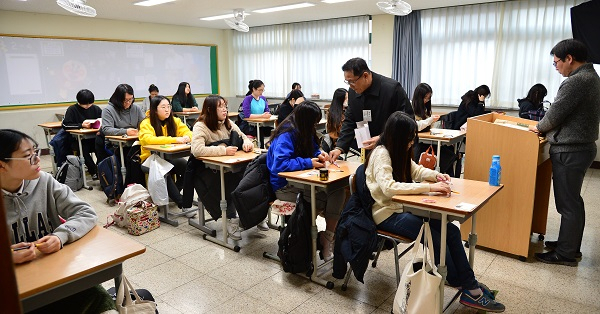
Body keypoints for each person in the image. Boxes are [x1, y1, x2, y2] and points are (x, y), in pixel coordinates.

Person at [364, 112, 505, 312]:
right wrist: (428, 188)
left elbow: (416, 171)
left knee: (452, 231)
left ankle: (468, 284)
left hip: (402, 208)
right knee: (436, 237)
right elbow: (389, 188)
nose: (412, 142)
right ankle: (467, 287)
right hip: (386, 214)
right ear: (398, 136)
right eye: (409, 137)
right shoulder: (381, 154)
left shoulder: (398, 149)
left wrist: (437, 176)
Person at [0, 129, 117, 313]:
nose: (38, 159)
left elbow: (86, 212)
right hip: (17, 289)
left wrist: (60, 236)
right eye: (27, 156)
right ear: (2, 165)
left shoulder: (44, 181)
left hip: (58, 274)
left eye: (36, 152)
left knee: (100, 301)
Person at [529, 39, 600, 266]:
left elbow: (555, 115)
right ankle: (568, 245)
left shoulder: (576, 82)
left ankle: (566, 253)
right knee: (573, 202)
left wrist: (538, 127)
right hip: (580, 148)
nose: (557, 67)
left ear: (569, 58)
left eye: (557, 62)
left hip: (571, 149)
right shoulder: (591, 77)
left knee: (568, 204)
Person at [267, 101, 345, 261]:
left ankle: (327, 238)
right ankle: (305, 238)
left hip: (301, 182)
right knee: (322, 200)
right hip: (285, 187)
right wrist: (309, 162)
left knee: (339, 190)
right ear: (306, 120)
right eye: (314, 122)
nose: (316, 125)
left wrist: (320, 154)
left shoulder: (303, 128)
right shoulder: (286, 134)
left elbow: (312, 148)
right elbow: (279, 165)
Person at [191, 95, 258, 240]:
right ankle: (231, 220)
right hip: (208, 171)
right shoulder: (201, 126)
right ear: (210, 110)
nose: (225, 109)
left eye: (225, 106)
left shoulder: (228, 123)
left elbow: (244, 136)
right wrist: (223, 151)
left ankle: (254, 216)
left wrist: (247, 143)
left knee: (250, 177)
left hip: (229, 165)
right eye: (220, 106)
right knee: (231, 183)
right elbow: (196, 150)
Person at [329, 57, 413, 161]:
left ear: (365, 76)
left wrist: (382, 138)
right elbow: (349, 120)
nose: (350, 86)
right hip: (368, 150)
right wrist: (339, 147)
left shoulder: (392, 89)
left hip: (393, 149)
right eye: (347, 82)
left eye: (352, 82)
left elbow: (407, 121)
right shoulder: (353, 93)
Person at [139, 95, 193, 216]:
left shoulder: (174, 120)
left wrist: (186, 137)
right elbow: (147, 140)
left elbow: (189, 133)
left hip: (169, 157)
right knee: (162, 172)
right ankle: (181, 202)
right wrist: (173, 140)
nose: (167, 109)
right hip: (149, 160)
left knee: (188, 167)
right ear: (154, 109)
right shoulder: (146, 123)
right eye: (163, 107)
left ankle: (172, 194)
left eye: (168, 106)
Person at [95, 83, 145, 163]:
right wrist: (126, 132)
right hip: (115, 145)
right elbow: (106, 129)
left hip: (134, 143)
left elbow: (144, 124)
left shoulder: (136, 108)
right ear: (118, 99)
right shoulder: (108, 110)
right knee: (131, 158)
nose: (128, 103)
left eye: (131, 99)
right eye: (125, 100)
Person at [62, 89, 102, 180]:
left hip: (93, 138)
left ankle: (100, 169)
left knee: (102, 147)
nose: (87, 106)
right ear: (79, 102)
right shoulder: (72, 109)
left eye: (90, 104)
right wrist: (81, 125)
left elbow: (104, 121)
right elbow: (65, 125)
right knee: (83, 149)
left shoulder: (96, 108)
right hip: (78, 140)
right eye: (85, 104)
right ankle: (93, 171)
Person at [411, 83, 440, 161]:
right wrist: (430, 120)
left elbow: (430, 126)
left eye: (429, 98)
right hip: (415, 141)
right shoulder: (410, 108)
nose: (427, 100)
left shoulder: (426, 109)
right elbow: (415, 126)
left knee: (448, 151)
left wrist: (432, 121)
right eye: (425, 98)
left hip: (425, 140)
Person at [241, 79, 272, 147]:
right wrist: (262, 116)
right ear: (254, 89)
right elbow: (247, 115)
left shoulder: (263, 98)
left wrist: (267, 114)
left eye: (262, 90)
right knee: (256, 143)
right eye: (260, 90)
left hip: (260, 125)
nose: (261, 92)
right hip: (249, 126)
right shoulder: (248, 99)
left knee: (262, 142)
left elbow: (267, 111)